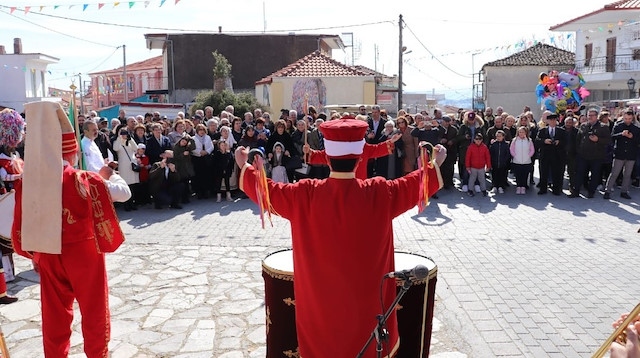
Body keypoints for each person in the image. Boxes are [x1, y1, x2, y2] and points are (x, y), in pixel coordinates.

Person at [236, 117, 445, 358]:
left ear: (327, 157)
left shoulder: (305, 194)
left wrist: (245, 167)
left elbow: (267, 191)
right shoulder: (379, 192)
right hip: (368, 316)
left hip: (320, 317)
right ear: (359, 158)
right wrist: (435, 164)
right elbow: (414, 184)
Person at [12, 101, 131, 356]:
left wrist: (35, 253)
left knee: (54, 316)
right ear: (71, 152)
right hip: (84, 251)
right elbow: (124, 193)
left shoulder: (28, 182)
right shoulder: (83, 179)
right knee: (94, 310)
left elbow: (22, 222)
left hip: (48, 253)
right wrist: (110, 175)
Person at [569, 108, 612, 198]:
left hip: (596, 156)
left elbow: (608, 140)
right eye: (589, 115)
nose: (590, 117)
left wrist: (598, 140)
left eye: (592, 115)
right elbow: (578, 139)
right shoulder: (583, 126)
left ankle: (591, 192)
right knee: (580, 173)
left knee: (595, 174)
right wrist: (579, 150)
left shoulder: (603, 127)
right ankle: (576, 191)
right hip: (583, 155)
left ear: (596, 116)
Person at [604, 108, 640, 199]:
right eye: (626, 118)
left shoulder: (636, 129)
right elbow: (612, 137)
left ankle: (624, 191)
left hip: (631, 155)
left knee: (627, 174)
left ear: (632, 118)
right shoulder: (618, 126)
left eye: (629, 119)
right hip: (619, 154)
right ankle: (607, 191)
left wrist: (632, 137)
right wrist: (621, 134)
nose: (627, 120)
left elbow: (638, 142)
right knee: (614, 173)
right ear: (623, 117)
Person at [535, 114, 566, 195]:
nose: (552, 122)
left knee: (556, 172)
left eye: (554, 120)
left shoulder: (561, 131)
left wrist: (559, 142)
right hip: (545, 155)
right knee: (543, 171)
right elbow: (537, 141)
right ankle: (543, 189)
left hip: (557, 155)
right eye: (551, 120)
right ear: (547, 121)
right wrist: (544, 141)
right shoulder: (542, 130)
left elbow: (566, 142)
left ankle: (556, 189)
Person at [456, 111, 486, 192]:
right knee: (467, 167)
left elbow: (484, 137)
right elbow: (458, 138)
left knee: (476, 166)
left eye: (472, 119)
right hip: (466, 149)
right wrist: (464, 137)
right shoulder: (463, 127)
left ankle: (476, 184)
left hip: (477, 149)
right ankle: (465, 183)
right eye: (469, 119)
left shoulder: (479, 126)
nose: (471, 121)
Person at [112, 127, 140, 211]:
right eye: (122, 132)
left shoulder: (130, 141)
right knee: (126, 184)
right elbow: (115, 148)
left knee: (133, 185)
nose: (124, 134)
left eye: (125, 132)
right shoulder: (117, 141)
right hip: (123, 166)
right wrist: (119, 137)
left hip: (132, 165)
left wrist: (130, 138)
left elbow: (136, 148)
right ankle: (126, 205)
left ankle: (132, 204)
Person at [191, 124, 214, 199]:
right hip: (197, 158)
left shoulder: (208, 137)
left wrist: (207, 151)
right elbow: (192, 148)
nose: (202, 131)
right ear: (197, 131)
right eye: (200, 130)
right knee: (198, 176)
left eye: (203, 130)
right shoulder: (193, 138)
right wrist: (200, 152)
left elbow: (211, 146)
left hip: (206, 158)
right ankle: (199, 192)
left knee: (206, 175)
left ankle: (206, 191)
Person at [511, 126, 536, 195]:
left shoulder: (529, 140)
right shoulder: (515, 140)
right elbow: (511, 149)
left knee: (525, 175)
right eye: (520, 132)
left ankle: (523, 186)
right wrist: (515, 155)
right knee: (518, 175)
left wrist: (529, 156)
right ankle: (518, 186)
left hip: (526, 161)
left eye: (523, 132)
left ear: (526, 133)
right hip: (517, 161)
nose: (521, 133)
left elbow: (532, 150)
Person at [173, 135, 195, 203]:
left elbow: (193, 147)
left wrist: (191, 139)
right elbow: (175, 157)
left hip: (186, 167)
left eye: (185, 143)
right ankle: (182, 198)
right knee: (182, 183)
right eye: (182, 141)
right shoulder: (176, 147)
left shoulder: (187, 147)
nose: (183, 143)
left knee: (186, 184)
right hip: (180, 167)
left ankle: (186, 198)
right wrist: (183, 154)